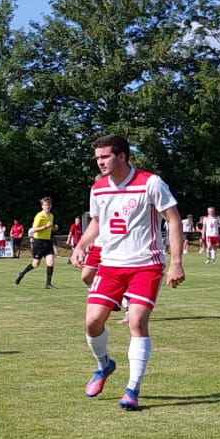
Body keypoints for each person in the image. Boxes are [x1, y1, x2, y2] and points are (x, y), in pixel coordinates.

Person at [71, 134, 184, 411]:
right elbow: (97, 221)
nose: (100, 162)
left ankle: (132, 389)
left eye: (105, 157)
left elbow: (173, 219)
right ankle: (104, 365)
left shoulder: (150, 183)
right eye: (98, 158)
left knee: (136, 321)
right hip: (110, 265)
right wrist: (82, 245)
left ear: (122, 156)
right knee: (92, 322)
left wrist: (176, 261)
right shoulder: (98, 188)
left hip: (145, 264)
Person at [14, 197, 58, 288]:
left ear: (51, 206)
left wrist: (53, 228)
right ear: (42, 206)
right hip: (39, 242)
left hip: (48, 241)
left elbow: (50, 227)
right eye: (45, 205)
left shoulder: (51, 216)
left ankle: (48, 284)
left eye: (49, 204)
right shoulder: (39, 216)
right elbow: (34, 230)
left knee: (51, 261)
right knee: (35, 264)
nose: (47, 206)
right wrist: (46, 227)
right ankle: (22, 274)